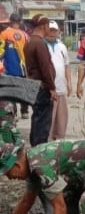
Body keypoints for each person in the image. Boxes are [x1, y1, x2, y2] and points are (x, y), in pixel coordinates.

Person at [23, 15, 57, 147]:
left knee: (36, 118)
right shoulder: (40, 44)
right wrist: (52, 88)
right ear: (43, 26)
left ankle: (34, 149)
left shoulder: (30, 42)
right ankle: (40, 151)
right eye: (48, 25)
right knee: (43, 122)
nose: (49, 28)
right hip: (42, 88)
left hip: (33, 86)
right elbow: (45, 68)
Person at [45, 21, 72, 140]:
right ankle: (47, 144)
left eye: (54, 30)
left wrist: (69, 83)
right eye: (50, 30)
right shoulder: (42, 45)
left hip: (61, 89)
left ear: (58, 32)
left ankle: (59, 143)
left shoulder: (62, 47)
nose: (52, 33)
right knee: (48, 120)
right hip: (48, 90)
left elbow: (67, 66)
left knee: (61, 120)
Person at [0, 13, 29, 118]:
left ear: (10, 21)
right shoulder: (25, 35)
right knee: (22, 90)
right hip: (22, 68)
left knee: (11, 91)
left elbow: (0, 51)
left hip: (9, 68)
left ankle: (14, 112)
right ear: (20, 22)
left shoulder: (4, 34)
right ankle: (25, 112)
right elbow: (28, 51)